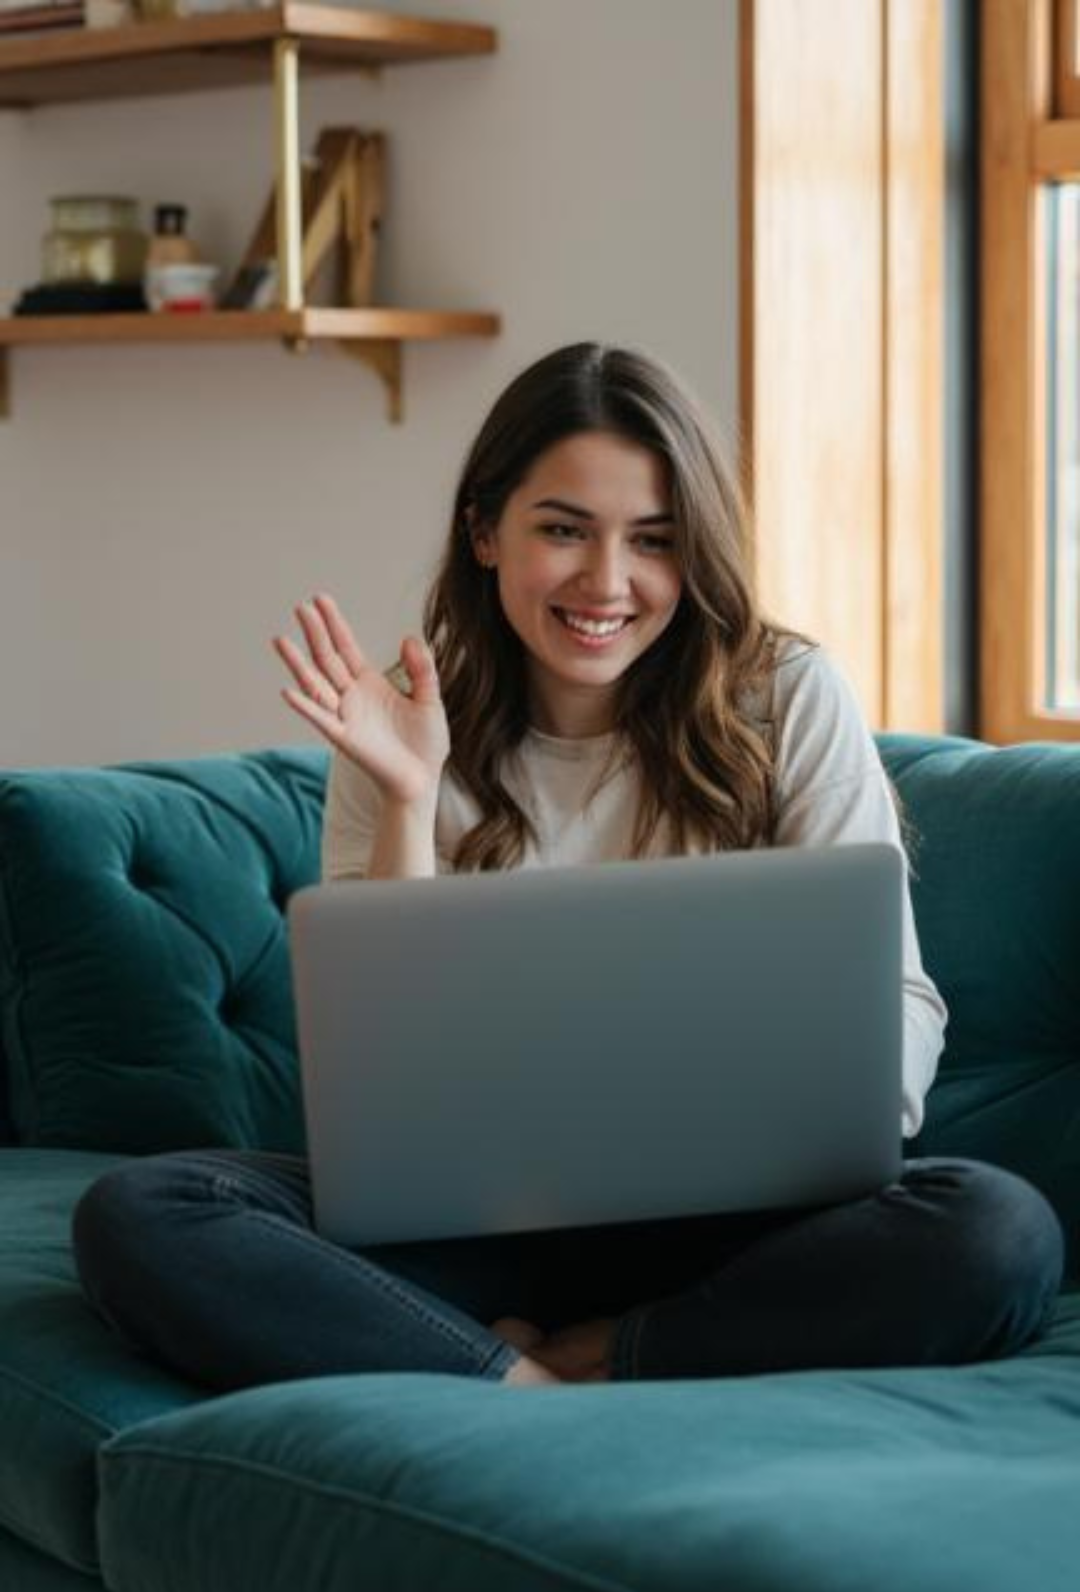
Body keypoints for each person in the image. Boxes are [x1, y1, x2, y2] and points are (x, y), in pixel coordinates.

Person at [73, 341, 1064, 1390]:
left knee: (999, 1232)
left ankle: (600, 1355)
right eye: (563, 530)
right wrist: (411, 795)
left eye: (654, 540)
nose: (607, 581)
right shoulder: (404, 726)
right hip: (479, 1234)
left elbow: (899, 1001)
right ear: (485, 531)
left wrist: (818, 1118)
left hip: (740, 1230)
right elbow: (386, 1078)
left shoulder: (786, 696)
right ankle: (519, 1377)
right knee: (142, 1215)